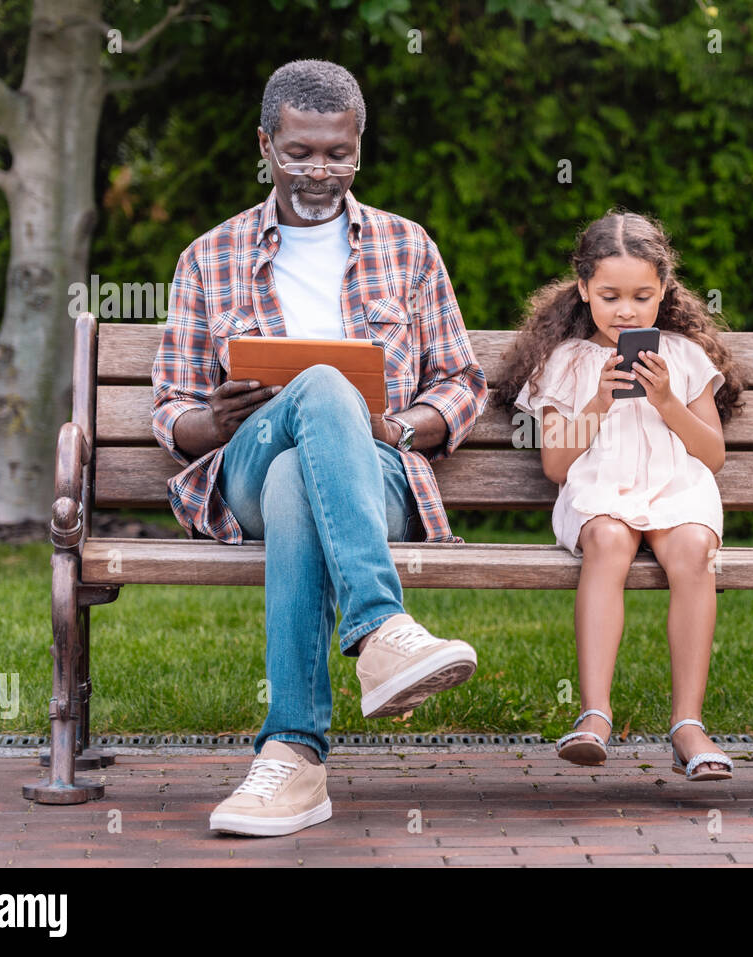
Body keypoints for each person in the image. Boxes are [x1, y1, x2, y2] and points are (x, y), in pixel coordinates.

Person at [150, 60, 487, 836]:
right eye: (299, 153)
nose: (320, 170)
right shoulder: (210, 255)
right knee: (322, 389)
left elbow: (464, 381)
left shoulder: (408, 248)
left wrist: (399, 427)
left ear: (360, 146)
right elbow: (171, 411)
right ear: (264, 144)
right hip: (245, 461)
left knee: (307, 470)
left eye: (338, 152)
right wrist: (217, 416)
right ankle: (380, 629)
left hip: (373, 475)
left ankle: (293, 756)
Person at [495, 209, 746, 781]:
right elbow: (557, 465)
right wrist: (599, 402)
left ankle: (688, 724)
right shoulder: (565, 362)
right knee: (608, 541)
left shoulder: (682, 358)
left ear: (663, 292)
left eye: (641, 295)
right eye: (609, 296)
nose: (625, 310)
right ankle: (595, 714)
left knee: (691, 552)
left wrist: (667, 402)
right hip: (599, 492)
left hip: (677, 489)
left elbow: (711, 455)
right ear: (584, 289)